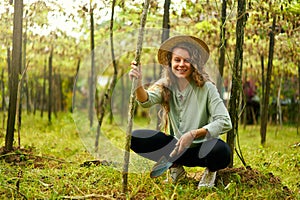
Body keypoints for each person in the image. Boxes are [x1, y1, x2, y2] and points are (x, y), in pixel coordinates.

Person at [128, 35, 232, 188]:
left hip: (202, 150)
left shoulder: (207, 88)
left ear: (194, 63)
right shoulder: (165, 85)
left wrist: (193, 134)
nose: (181, 64)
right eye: (177, 60)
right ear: (170, 62)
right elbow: (146, 101)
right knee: (135, 138)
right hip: (177, 149)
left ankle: (210, 173)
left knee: (222, 150)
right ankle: (175, 168)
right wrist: (138, 83)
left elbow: (224, 121)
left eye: (186, 60)